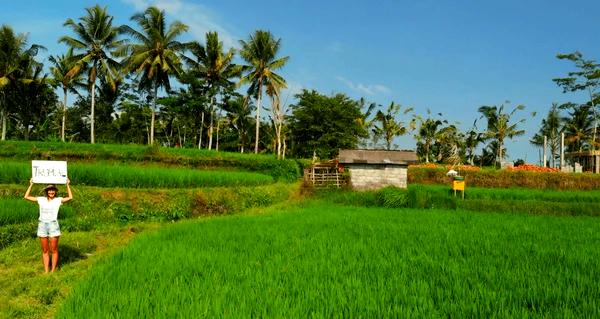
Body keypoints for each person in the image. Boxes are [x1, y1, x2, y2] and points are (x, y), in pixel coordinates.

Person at [24, 178, 73, 273]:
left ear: (55, 191)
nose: (51, 192)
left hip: (53, 225)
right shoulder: (41, 199)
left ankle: (53, 271)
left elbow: (70, 197)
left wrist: (67, 184)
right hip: (42, 225)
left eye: (53, 190)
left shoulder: (58, 200)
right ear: (46, 191)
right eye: (49, 190)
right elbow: (26, 196)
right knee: (45, 250)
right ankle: (46, 271)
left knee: (54, 249)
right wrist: (31, 184)